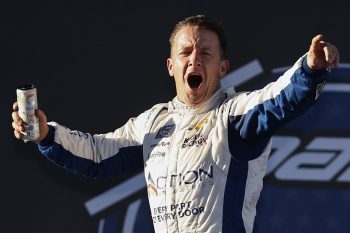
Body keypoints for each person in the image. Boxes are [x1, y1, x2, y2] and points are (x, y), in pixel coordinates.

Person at [12, 15, 339, 233]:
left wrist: (309, 70)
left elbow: (278, 99)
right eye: (185, 52)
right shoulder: (152, 122)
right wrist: (46, 134)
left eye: (205, 53)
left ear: (222, 67)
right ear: (171, 65)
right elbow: (98, 155)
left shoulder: (233, 114)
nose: (194, 59)